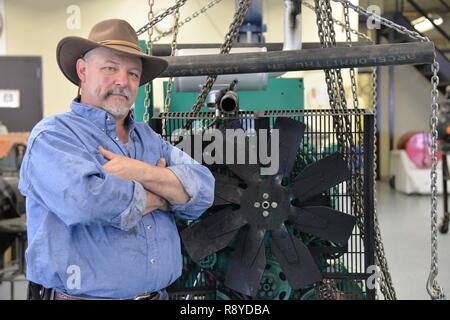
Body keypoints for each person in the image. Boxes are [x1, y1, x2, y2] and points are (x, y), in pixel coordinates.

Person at [19, 19, 215, 300]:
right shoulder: (53, 137)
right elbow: (88, 201)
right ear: (82, 71)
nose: (123, 81)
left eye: (133, 74)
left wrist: (141, 172)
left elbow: (204, 189)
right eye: (110, 68)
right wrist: (163, 196)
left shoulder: (148, 139)